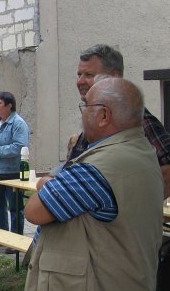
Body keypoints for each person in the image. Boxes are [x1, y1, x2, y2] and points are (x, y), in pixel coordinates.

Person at [22, 78, 162, 291]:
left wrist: (44, 184)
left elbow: (35, 211)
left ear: (103, 115)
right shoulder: (142, 152)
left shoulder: (99, 167)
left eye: (85, 106)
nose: (82, 112)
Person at [71, 44, 170, 197]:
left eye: (89, 75)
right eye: (79, 74)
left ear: (113, 78)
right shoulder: (93, 118)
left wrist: (127, 202)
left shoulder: (136, 118)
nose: (80, 81)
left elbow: (167, 169)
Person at [0, 92, 30, 240]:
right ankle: (0, 237)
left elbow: (19, 146)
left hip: (12, 172)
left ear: (9, 106)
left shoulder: (18, 123)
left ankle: (15, 240)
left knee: (14, 207)